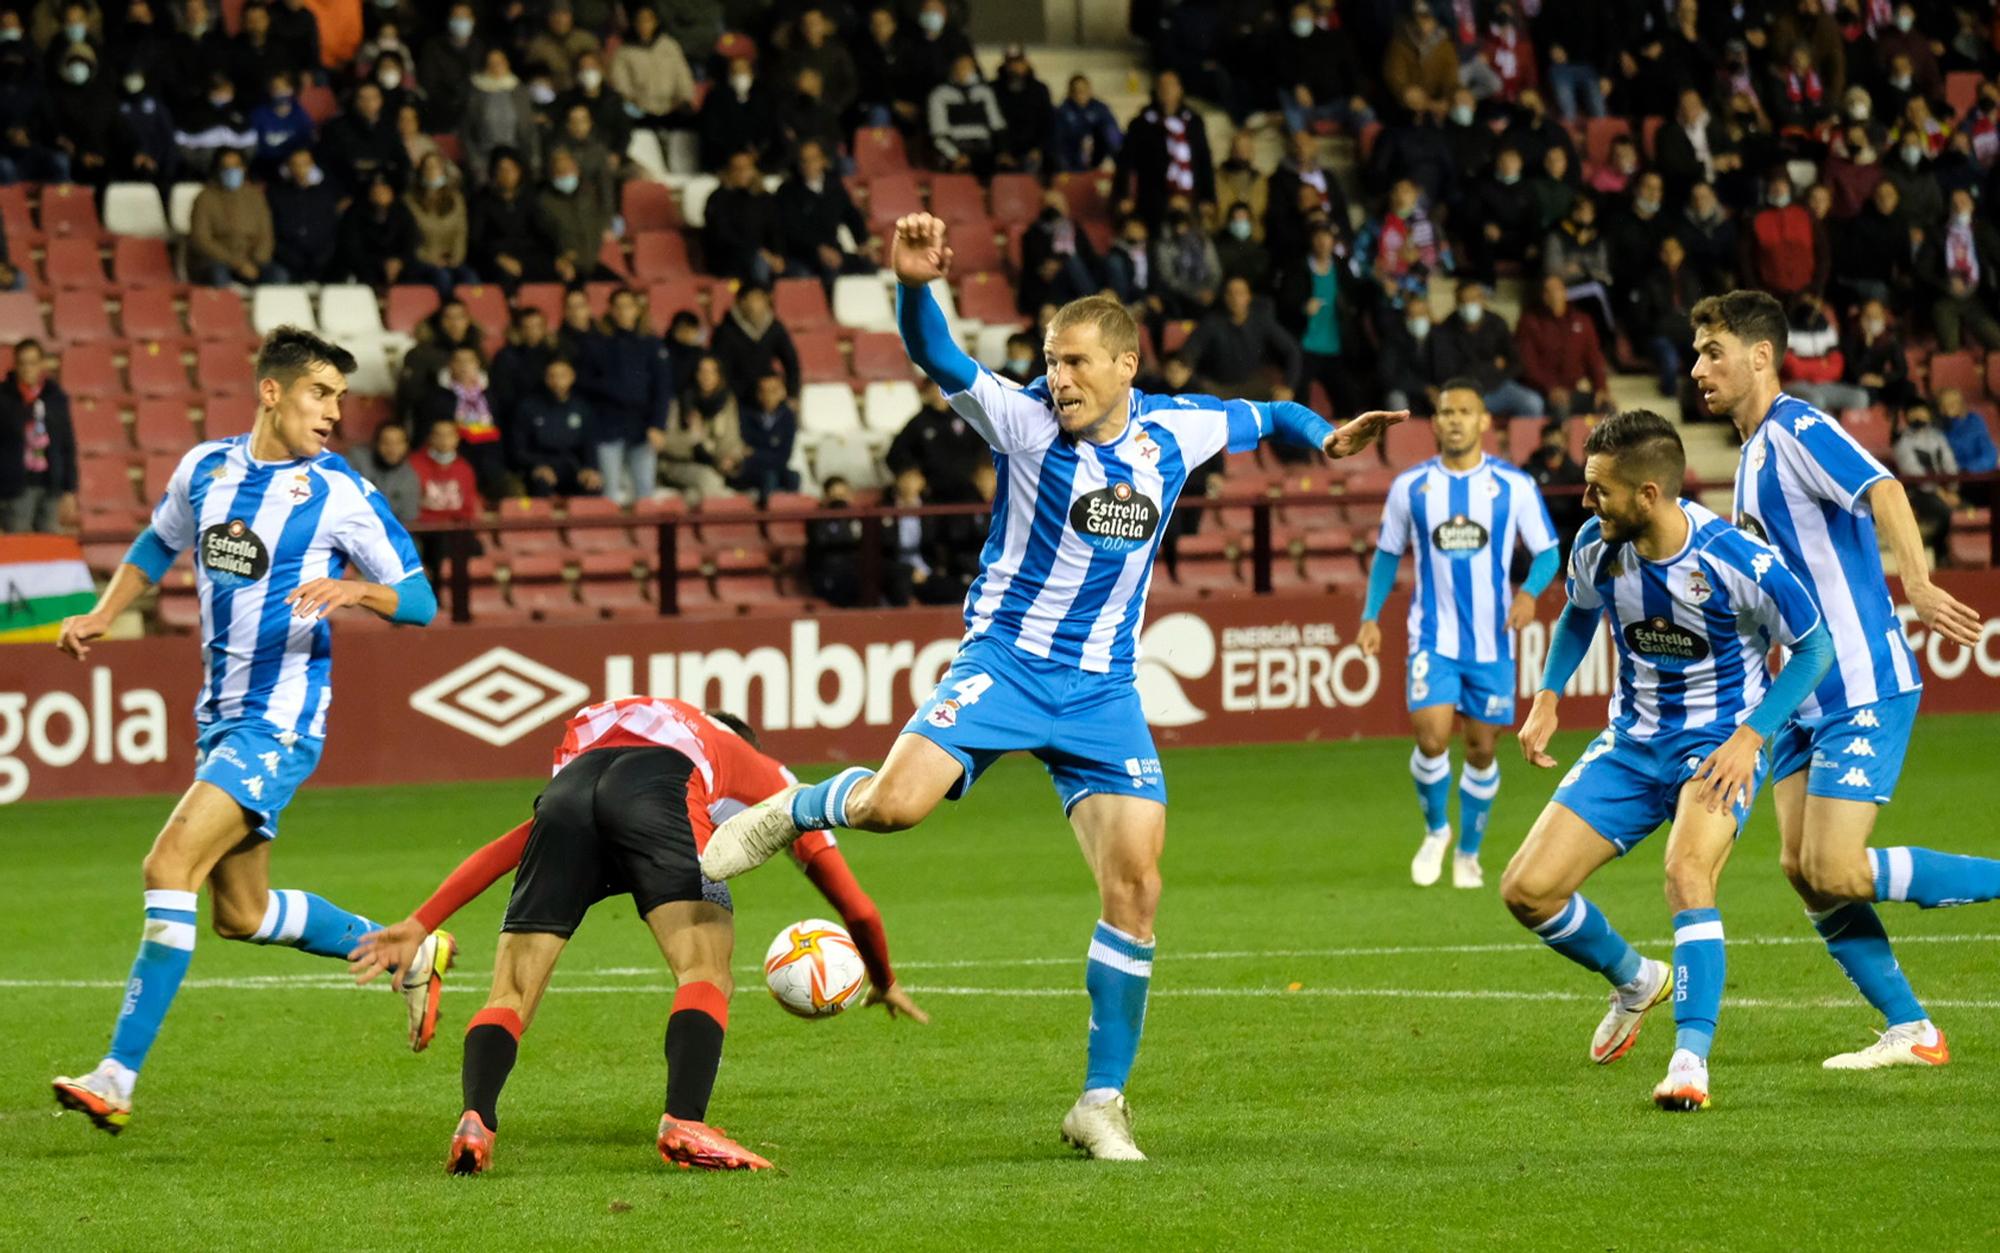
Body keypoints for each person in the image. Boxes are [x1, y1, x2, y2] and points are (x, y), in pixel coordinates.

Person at [697, 212, 1404, 1162]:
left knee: (1137, 886)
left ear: (1124, 364)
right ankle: (799, 806)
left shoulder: (1178, 428)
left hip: (1104, 689)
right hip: (1004, 664)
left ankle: (1100, 1101)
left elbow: (1267, 414)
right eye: (1048, 359)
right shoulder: (1023, 419)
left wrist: (1323, 435)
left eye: (1074, 362)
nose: (1056, 377)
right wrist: (913, 286)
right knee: (897, 808)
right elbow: (939, 353)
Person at [48, 328, 447, 1136]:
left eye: (339, 396)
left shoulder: (338, 492)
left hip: (282, 719)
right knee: (241, 911)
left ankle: (116, 1076)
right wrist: (101, 612)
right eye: (319, 394)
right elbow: (158, 542)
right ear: (272, 392)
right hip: (220, 715)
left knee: (168, 863)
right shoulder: (205, 468)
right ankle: (404, 950)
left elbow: (421, 600)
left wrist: (354, 590)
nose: (334, 411)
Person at [345, 699, 927, 1175]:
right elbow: (854, 902)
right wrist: (883, 977)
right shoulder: (756, 766)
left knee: (511, 993)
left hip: (568, 795)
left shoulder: (617, 724)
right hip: (660, 794)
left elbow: (511, 845)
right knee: (704, 970)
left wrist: (422, 922)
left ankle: (476, 1118)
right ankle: (684, 1121)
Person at [1691, 289, 1992, 1069]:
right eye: (1696, 354)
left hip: (1858, 678)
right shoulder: (1754, 454)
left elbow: (1885, 487)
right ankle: (1913, 1029)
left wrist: (1917, 583)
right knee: (1802, 871)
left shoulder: (1797, 427)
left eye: (1713, 352)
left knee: (1837, 867)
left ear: (1761, 356)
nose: (1698, 369)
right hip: (1799, 696)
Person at [1503, 409, 1833, 1113]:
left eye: (1599, 490)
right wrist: (1550, 694)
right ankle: (1635, 979)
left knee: (1687, 872)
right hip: (1631, 744)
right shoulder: (1597, 544)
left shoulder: (1736, 559)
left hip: (1716, 747)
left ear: (1648, 492)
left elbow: (1814, 647)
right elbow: (1579, 612)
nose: (1586, 502)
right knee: (1526, 890)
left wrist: (1753, 735)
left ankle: (1690, 1060)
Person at [1358, 382, 1560, 889]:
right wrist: (1370, 615)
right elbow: (1387, 553)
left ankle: (1468, 852)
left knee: (1482, 750)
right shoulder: (1412, 486)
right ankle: (1436, 830)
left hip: (1491, 642)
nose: (1454, 420)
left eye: (1465, 412)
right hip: (1433, 637)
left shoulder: (1513, 486)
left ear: (1484, 421)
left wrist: (1530, 592)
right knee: (1430, 737)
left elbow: (1548, 553)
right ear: (1435, 422)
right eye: (1446, 412)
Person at [580, 288, 673, 506]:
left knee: (644, 492)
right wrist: (615, 389)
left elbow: (663, 388)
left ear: (638, 310)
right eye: (618, 306)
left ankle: (645, 538)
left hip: (643, 426)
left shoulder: (651, 343)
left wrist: (658, 425)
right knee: (609, 493)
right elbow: (584, 382)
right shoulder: (597, 343)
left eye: (628, 306)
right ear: (610, 310)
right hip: (607, 425)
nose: (623, 312)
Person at [1178, 275, 1303, 403]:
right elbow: (1192, 349)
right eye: (1231, 294)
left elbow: (1292, 350)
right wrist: (1184, 366)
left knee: (1281, 405)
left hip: (1251, 385)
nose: (1235, 298)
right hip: (1217, 387)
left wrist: (1289, 386)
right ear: (1224, 298)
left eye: (1240, 293)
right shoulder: (1212, 322)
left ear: (1249, 296)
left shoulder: (1261, 320)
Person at [1114, 71, 1213, 230]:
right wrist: (1123, 195)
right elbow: (1126, 162)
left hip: (1190, 199)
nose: (1166, 90)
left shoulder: (1194, 122)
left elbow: (1204, 160)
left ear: (1180, 89)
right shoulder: (1141, 123)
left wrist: (1208, 197)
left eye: (1171, 86)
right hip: (1154, 201)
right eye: (1162, 86)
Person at [776, 139, 876, 292]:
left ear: (823, 161)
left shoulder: (833, 186)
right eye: (804, 160)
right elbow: (791, 229)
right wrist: (818, 248)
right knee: (826, 271)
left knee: (867, 265)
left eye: (813, 159)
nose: (808, 165)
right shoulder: (787, 191)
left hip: (833, 250)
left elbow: (850, 214)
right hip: (802, 255)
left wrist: (863, 241)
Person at [1433, 283, 1542, 419]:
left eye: (1474, 299)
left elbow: (1516, 362)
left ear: (1482, 300)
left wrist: (1497, 373)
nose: (1469, 305)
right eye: (1464, 301)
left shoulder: (1496, 323)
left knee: (1532, 403)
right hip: (1465, 392)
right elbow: (1447, 371)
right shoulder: (1446, 330)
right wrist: (1492, 366)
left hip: (1499, 386)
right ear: (1457, 303)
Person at [0, 339, 76, 533]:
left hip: (50, 484)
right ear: (16, 366)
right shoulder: (4, 398)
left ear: (42, 364)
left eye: (33, 363)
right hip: (15, 487)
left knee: (50, 544)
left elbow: (67, 445)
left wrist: (69, 489)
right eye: (22, 363)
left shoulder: (55, 398)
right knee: (19, 546)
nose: (27, 369)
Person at [419, 344, 507, 502]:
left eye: (469, 361)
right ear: (450, 365)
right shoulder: (437, 396)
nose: (464, 366)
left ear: (478, 364)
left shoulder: (492, 392)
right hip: (456, 453)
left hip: (491, 453)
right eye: (458, 361)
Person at [1919, 187, 2000, 353]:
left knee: (1997, 341)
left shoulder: (1983, 231)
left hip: (1976, 299)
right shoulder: (1936, 233)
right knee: (1950, 351)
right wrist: (1946, 284)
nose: (1959, 206)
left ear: (1972, 205)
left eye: (1963, 202)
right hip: (1945, 298)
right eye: (1954, 203)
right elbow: (1923, 269)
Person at [1517, 275, 1609, 417]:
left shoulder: (1582, 320)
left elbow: (1594, 358)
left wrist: (1601, 388)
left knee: (1607, 407)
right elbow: (1528, 365)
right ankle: (1555, 438)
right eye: (1549, 291)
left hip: (1572, 391)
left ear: (1565, 292)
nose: (1555, 295)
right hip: (1541, 392)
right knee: (1561, 407)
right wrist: (1550, 388)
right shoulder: (1530, 322)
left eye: (1558, 290)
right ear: (1544, 296)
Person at [512, 356, 603, 499]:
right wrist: (537, 466)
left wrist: (590, 469)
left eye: (563, 376)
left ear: (572, 377)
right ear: (546, 379)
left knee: (592, 484)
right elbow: (519, 449)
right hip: (541, 465)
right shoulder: (529, 407)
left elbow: (590, 444)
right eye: (552, 376)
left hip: (573, 466)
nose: (557, 381)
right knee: (541, 483)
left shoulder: (582, 408)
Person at [884, 374, 984, 502]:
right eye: (934, 388)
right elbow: (896, 453)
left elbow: (983, 447)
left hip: (967, 485)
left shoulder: (966, 418)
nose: (939, 393)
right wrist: (910, 470)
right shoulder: (918, 423)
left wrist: (985, 468)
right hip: (931, 489)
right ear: (927, 392)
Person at [660, 354, 745, 503]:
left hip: (714, 464)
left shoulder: (726, 401)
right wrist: (693, 439)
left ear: (719, 376)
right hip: (679, 463)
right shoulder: (680, 401)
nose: (707, 376)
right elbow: (666, 442)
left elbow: (731, 437)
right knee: (710, 480)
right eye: (702, 371)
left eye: (712, 372)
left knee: (696, 495)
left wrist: (728, 458)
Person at [188, 148, 278, 286]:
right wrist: (238, 264)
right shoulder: (204, 198)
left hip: (253, 261)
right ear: (217, 170)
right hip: (218, 261)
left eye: (236, 167)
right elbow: (201, 240)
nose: (231, 172)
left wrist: (256, 260)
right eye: (226, 168)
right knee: (218, 275)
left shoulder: (256, 197)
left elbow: (266, 235)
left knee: (278, 276)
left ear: (244, 168)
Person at [469, 149, 555, 285]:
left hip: (527, 254)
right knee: (505, 275)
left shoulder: (529, 199)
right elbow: (476, 241)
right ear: (494, 173)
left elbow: (542, 233)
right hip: (496, 258)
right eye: (502, 169)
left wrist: (560, 257)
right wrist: (498, 257)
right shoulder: (482, 201)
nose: (507, 174)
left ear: (520, 172)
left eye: (511, 169)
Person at [702, 150, 784, 286]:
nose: (742, 173)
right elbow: (722, 235)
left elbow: (775, 229)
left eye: (746, 168)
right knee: (759, 263)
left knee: (797, 271)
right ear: (728, 171)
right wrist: (758, 251)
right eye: (736, 169)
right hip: (729, 259)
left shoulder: (764, 198)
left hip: (764, 255)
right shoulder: (718, 199)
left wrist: (779, 254)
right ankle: (760, 296)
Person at [710, 284, 801, 406]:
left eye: (760, 299)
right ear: (739, 302)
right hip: (736, 397)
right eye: (750, 299)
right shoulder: (725, 331)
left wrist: (791, 392)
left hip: (766, 395)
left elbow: (791, 362)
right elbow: (720, 368)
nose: (755, 305)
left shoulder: (775, 328)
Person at [1891, 399, 1960, 558]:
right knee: (1943, 512)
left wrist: (1952, 489)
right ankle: (1941, 553)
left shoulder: (1937, 437)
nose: (1918, 416)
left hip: (1945, 490)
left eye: (1921, 412)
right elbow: (1913, 471)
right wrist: (1940, 492)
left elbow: (1950, 463)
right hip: (1919, 492)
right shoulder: (1903, 441)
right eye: (1913, 412)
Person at [405, 152, 478, 294]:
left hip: (451, 259)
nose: (432, 171)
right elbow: (410, 237)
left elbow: (461, 232)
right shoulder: (409, 201)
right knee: (442, 277)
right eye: (428, 167)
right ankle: (447, 313)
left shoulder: (456, 199)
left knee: (471, 279)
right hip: (423, 259)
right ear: (420, 172)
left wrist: (455, 258)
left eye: (436, 167)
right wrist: (431, 259)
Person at [267, 146, 339, 283]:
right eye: (295, 165)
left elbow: (332, 231)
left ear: (312, 165)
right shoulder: (276, 194)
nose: (300, 169)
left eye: (305, 164)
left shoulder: (325, 194)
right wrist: (289, 257)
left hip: (322, 261)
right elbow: (272, 232)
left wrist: (322, 257)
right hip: (286, 260)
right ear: (288, 168)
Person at [927, 52, 1005, 178]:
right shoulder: (940, 94)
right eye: (960, 67)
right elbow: (938, 134)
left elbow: (998, 126)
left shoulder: (985, 92)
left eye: (968, 67)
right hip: (956, 148)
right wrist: (955, 155)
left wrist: (1003, 151)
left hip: (983, 149)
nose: (963, 72)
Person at [334, 174, 419, 287]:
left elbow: (410, 242)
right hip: (366, 266)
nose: (379, 194)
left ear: (391, 193)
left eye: (383, 190)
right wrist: (381, 263)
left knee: (414, 274)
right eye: (375, 191)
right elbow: (352, 248)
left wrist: (399, 261)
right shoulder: (355, 213)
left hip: (399, 266)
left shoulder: (402, 213)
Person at [1520, 418, 1587, 556]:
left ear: (1564, 442)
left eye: (1557, 439)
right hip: (1538, 528)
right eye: (1549, 438)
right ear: (1542, 441)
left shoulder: (1575, 473)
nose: (1553, 443)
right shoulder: (1529, 470)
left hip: (1568, 528)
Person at [733, 372, 799, 498]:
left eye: (773, 391)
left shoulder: (787, 417)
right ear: (758, 394)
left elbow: (784, 456)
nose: (768, 396)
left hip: (776, 467)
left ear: (783, 392)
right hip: (751, 472)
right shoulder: (745, 414)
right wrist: (768, 453)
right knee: (769, 477)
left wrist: (756, 452)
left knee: (793, 477)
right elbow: (744, 452)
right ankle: (767, 515)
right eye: (764, 391)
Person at [347, 419, 420, 525]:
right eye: (386, 442)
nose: (392, 449)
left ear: (406, 446)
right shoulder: (357, 460)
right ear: (375, 444)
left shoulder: (410, 477)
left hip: (389, 534)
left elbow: (408, 519)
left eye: (398, 443)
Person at [1052, 73, 1120, 173]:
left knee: (1111, 134)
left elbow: (1112, 131)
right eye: (1077, 91)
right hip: (1072, 156)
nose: (1081, 94)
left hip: (1098, 154)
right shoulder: (1063, 111)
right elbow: (1058, 139)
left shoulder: (1100, 108)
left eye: (1084, 90)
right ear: (1070, 92)